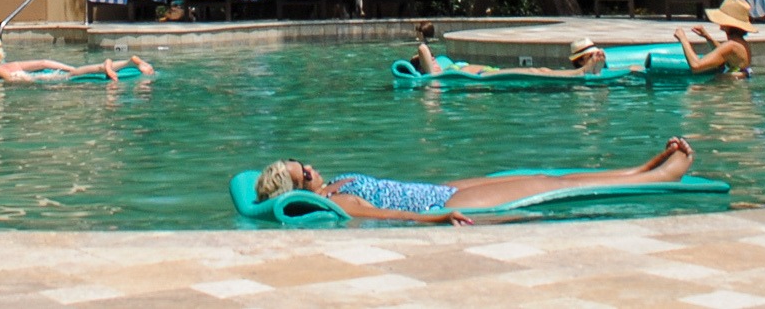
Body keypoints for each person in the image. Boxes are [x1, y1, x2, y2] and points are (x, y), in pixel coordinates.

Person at [254, 138, 697, 223]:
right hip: (437, 203)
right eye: (302, 174)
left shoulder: (335, 187)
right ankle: (664, 177)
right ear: (296, 190)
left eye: (301, 163)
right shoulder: (337, 204)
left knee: (540, 176)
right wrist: (441, 218)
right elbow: (390, 214)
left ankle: (639, 170)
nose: (310, 167)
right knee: (546, 188)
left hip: (441, 189)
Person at [409, 22, 609, 78]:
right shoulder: (436, 74)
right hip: (486, 76)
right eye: (430, 60)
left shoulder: (447, 65)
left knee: (542, 71)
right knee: (537, 72)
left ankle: (583, 71)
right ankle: (581, 71)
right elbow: (423, 48)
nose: (434, 59)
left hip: (491, 71)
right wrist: (421, 61)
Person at [0, 38, 155, 82]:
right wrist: (69, 67)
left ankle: (105, 65)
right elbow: (44, 62)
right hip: (50, 70)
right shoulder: (13, 63)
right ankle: (128, 62)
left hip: (40, 79)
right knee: (75, 71)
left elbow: (7, 76)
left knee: (73, 76)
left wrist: (29, 81)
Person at [675, 0, 755, 76]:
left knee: (694, 87)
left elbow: (696, 66)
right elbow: (723, 52)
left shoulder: (731, 45)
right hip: (737, 85)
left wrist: (683, 39)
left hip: (729, 87)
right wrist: (707, 37)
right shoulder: (740, 43)